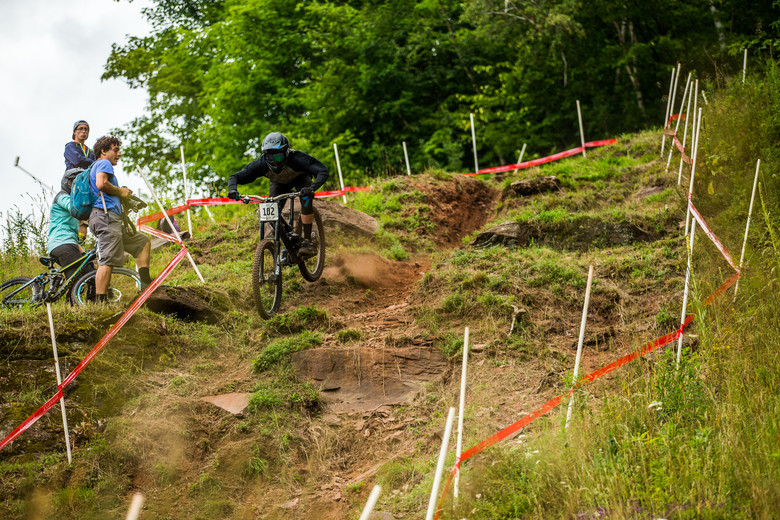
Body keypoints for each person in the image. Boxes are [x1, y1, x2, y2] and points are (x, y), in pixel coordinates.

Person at [227, 132, 329, 255]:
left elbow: (322, 171)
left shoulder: (297, 158)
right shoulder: (261, 164)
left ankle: (308, 241)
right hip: (279, 183)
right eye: (270, 157)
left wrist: (312, 188)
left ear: (286, 152)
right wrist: (233, 190)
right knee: (270, 211)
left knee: (306, 198)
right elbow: (235, 177)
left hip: (301, 179)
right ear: (265, 156)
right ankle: (289, 237)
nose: (275, 162)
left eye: (278, 157)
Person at [88, 136, 154, 300]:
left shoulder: (100, 166)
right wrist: (121, 192)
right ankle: (100, 302)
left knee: (142, 243)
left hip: (111, 219)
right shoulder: (104, 163)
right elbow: (101, 184)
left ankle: (145, 285)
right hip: (105, 218)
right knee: (107, 260)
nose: (119, 154)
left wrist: (124, 204)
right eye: (115, 150)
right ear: (103, 151)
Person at [47, 169, 95, 284]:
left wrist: (83, 253)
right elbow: (72, 207)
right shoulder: (62, 196)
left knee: (91, 273)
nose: (76, 187)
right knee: (75, 280)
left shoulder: (75, 203)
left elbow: (70, 233)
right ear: (66, 183)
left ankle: (95, 301)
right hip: (61, 243)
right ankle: (71, 301)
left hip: (70, 244)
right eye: (73, 183)